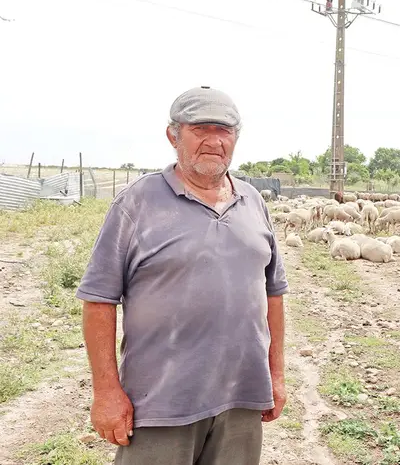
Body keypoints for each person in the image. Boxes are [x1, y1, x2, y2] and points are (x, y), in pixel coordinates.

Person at [76, 86, 290, 464]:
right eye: (200, 129)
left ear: (236, 138)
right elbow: (98, 299)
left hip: (241, 400)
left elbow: (273, 294)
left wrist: (276, 375)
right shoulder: (137, 202)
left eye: (224, 131)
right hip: (160, 405)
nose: (213, 141)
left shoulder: (253, 201)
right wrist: (106, 392)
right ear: (173, 135)